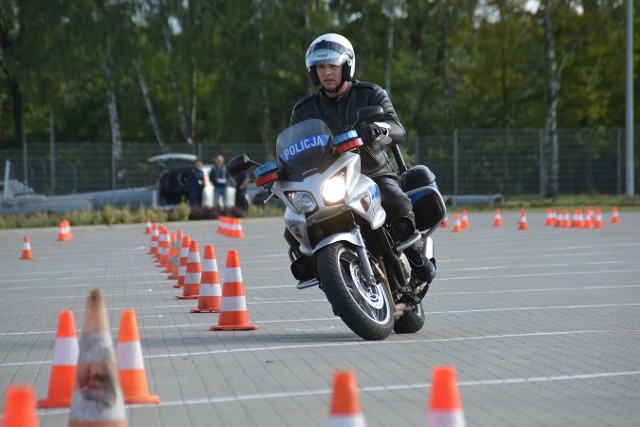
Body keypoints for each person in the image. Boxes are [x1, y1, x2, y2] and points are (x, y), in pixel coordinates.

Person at [289, 33, 435, 285]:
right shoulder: (303, 110)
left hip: (372, 172)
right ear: (313, 72)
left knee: (396, 202)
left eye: (332, 66)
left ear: (346, 66)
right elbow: (293, 148)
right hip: (326, 181)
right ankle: (321, 272)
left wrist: (378, 129)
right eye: (321, 67)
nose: (327, 73)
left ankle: (416, 257)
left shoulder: (369, 94)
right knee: (294, 225)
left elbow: (397, 128)